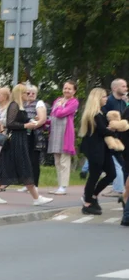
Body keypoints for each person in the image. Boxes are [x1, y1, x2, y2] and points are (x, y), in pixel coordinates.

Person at [0, 84, 54, 207]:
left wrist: (31, 121)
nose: (28, 95)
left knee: (5, 166)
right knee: (24, 167)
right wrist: (26, 125)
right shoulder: (15, 105)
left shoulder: (19, 106)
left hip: (19, 140)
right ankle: (36, 197)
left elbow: (17, 121)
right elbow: (10, 123)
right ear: (20, 94)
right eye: (26, 93)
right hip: (16, 141)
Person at [80, 87, 116, 215]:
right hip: (95, 150)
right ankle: (87, 203)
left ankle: (94, 196)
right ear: (97, 99)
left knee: (112, 174)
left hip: (103, 149)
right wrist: (115, 129)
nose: (106, 98)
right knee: (94, 176)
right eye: (104, 96)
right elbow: (103, 131)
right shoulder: (94, 115)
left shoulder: (100, 113)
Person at [47, 81, 78, 195]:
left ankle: (63, 186)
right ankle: (59, 185)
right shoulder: (58, 100)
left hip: (65, 133)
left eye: (69, 89)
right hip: (55, 132)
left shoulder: (74, 102)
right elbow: (53, 115)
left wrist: (59, 107)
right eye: (65, 88)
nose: (66, 90)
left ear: (74, 91)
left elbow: (60, 113)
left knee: (65, 161)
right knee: (57, 161)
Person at [101, 78, 127, 199]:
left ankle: (119, 187)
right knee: (117, 162)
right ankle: (118, 188)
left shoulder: (122, 103)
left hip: (121, 137)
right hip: (110, 136)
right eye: (123, 86)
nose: (126, 88)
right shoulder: (109, 101)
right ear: (115, 88)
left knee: (120, 163)